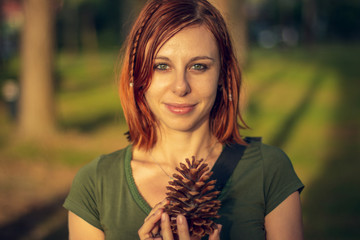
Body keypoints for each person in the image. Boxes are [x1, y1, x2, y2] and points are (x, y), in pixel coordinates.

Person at [63, 0, 304, 239]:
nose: (180, 87)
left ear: (222, 74)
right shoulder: (95, 185)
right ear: (137, 74)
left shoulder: (269, 171)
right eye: (161, 66)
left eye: (199, 66)